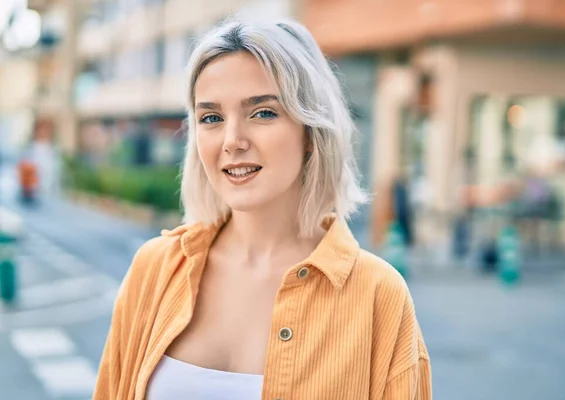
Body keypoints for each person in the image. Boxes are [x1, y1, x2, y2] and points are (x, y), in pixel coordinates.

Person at [93, 18, 431, 400]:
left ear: (310, 132)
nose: (233, 141)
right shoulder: (155, 270)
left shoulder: (378, 296)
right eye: (211, 118)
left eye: (263, 113)